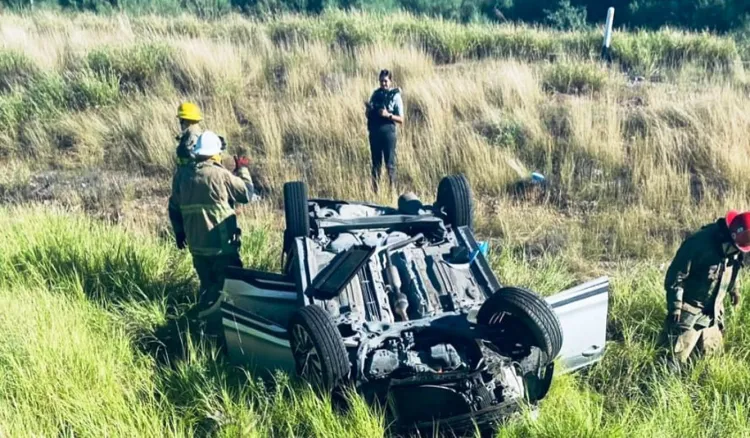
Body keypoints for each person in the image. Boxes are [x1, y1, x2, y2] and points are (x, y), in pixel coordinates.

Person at [167, 130, 255, 332]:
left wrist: (179, 233)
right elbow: (247, 194)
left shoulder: (182, 177)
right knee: (232, 291)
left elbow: (174, 208)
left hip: (197, 248)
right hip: (222, 249)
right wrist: (242, 169)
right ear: (215, 154)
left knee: (207, 287)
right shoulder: (220, 174)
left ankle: (202, 328)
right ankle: (231, 333)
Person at [660, 210, 749, 366]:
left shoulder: (737, 248)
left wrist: (735, 290)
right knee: (671, 363)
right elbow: (676, 276)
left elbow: (733, 267)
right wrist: (675, 307)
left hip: (713, 314)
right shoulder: (699, 244)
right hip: (689, 312)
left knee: (710, 363)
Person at [365, 69, 404, 193]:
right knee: (376, 165)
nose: (383, 84)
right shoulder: (375, 94)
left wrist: (388, 115)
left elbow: (401, 119)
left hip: (388, 133)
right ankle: (375, 191)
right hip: (375, 132)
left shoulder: (395, 96)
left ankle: (392, 192)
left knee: (390, 165)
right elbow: (368, 115)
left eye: (386, 81)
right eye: (381, 81)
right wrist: (369, 111)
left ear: (390, 81)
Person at [175, 102, 204, 166]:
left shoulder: (193, 136)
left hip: (189, 173)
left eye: (180, 119)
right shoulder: (190, 134)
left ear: (185, 120)